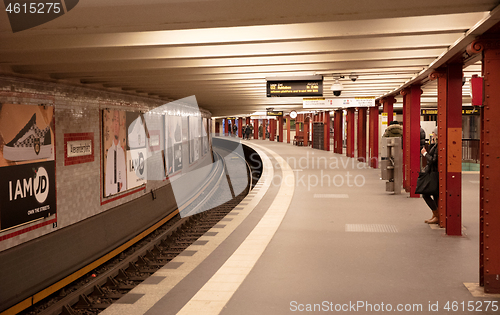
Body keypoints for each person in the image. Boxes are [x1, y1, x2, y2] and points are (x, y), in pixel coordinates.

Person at [105, 110, 127, 196]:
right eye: (114, 120)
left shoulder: (121, 151)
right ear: (112, 125)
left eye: (118, 121)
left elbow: (124, 176)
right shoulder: (110, 151)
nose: (116, 124)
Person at [420, 129, 439, 224]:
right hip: (432, 172)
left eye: (434, 133)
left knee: (426, 194)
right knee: (434, 195)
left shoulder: (439, 146)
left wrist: (425, 154)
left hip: (434, 173)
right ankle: (435, 215)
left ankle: (437, 214)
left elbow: (433, 160)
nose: (433, 134)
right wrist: (432, 144)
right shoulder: (436, 144)